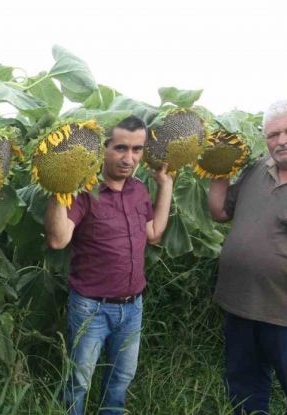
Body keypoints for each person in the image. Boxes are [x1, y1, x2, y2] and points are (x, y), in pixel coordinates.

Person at [45, 115, 173, 415]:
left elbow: (153, 234)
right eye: (121, 148)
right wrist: (60, 185)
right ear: (104, 148)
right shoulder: (83, 191)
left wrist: (165, 186)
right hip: (92, 307)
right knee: (79, 379)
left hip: (132, 307)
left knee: (121, 378)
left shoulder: (139, 190)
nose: (129, 158)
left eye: (137, 150)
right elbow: (58, 240)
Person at [208, 98, 287, 414]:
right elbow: (221, 212)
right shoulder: (257, 170)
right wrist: (216, 167)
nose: (281, 140)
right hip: (241, 307)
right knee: (245, 393)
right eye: (273, 134)